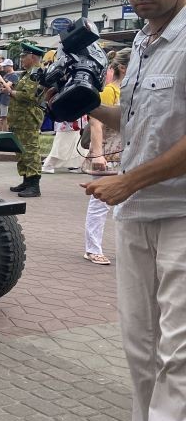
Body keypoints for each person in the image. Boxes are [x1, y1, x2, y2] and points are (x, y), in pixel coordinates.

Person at [83, 0, 186, 421]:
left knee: (179, 361)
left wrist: (131, 181)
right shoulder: (147, 45)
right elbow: (143, 117)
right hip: (139, 216)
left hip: (179, 216)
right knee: (141, 350)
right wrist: (91, 107)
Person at [82, 48, 129, 266]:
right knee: (100, 203)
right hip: (108, 152)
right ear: (123, 67)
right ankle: (93, 248)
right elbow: (95, 121)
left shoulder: (132, 89)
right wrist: (98, 154)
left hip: (127, 152)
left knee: (128, 203)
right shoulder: (110, 91)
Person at [1, 44, 46, 197]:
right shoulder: (27, 73)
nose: (21, 59)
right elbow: (22, 91)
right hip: (20, 119)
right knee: (21, 150)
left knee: (30, 151)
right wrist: (11, 89)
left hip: (28, 119)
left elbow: (30, 96)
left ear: (32, 57)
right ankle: (26, 181)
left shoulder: (36, 73)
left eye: (23, 56)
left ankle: (34, 185)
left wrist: (10, 91)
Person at [0, 58, 18, 131]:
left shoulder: (14, 75)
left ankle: (5, 134)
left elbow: (7, 86)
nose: (3, 68)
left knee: (4, 118)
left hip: (6, 99)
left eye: (5, 66)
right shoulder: (6, 75)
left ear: (10, 66)